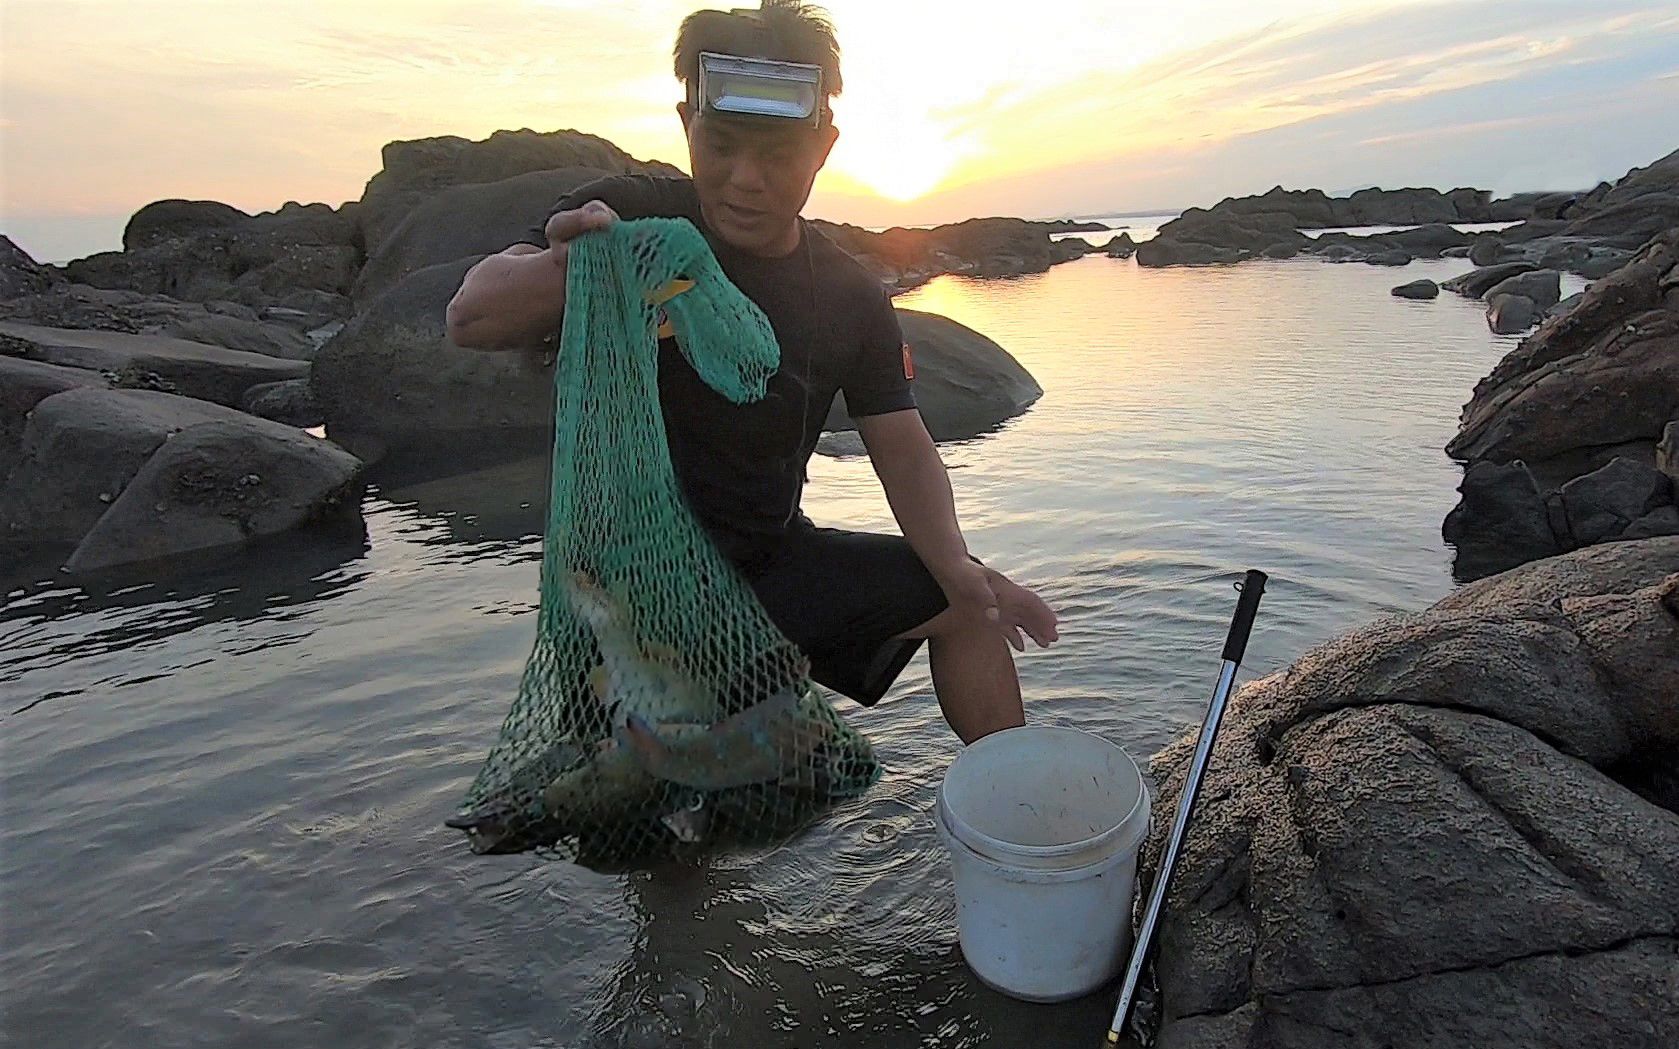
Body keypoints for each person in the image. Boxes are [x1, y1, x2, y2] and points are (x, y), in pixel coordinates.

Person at [445, 0, 1057, 743]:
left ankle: (1019, 807)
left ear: (823, 147)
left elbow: (901, 444)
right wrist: (571, 267)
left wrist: (959, 566)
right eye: (722, 145)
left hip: (770, 565)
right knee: (664, 828)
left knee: (970, 601)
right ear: (685, 124)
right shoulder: (632, 213)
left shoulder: (847, 294)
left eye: (776, 157)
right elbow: (471, 316)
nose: (744, 180)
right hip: (626, 586)